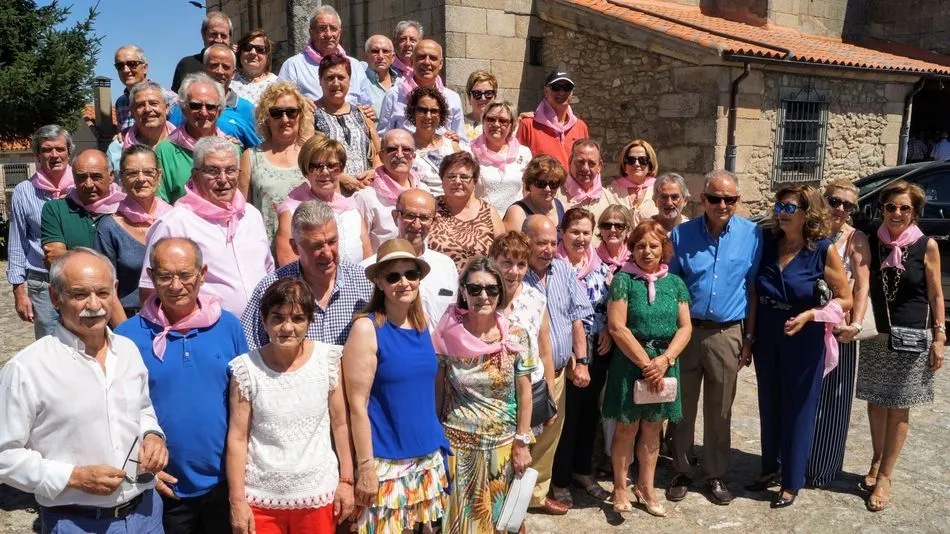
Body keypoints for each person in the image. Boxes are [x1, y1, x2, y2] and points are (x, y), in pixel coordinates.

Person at [0, 248, 167, 533]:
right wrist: (73, 478)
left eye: (102, 293)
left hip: (146, 514)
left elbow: (141, 409)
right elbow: (5, 456)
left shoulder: (127, 351)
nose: (95, 305)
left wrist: (153, 435)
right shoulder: (27, 369)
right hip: (76, 522)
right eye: (79, 295)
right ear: (55, 297)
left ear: (114, 291)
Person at [116, 237, 247, 533]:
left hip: (224, 483)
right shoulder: (127, 336)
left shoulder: (228, 326)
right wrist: (138, 465)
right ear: (151, 277)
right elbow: (116, 413)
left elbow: (245, 402)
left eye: (185, 275)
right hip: (163, 487)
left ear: (202, 274)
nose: (176, 285)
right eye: (165, 276)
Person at [746, 185, 851, 509]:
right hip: (767, 332)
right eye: (779, 206)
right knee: (770, 402)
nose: (780, 213)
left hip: (804, 336)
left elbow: (845, 298)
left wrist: (811, 314)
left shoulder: (821, 249)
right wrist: (750, 338)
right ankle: (770, 468)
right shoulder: (767, 244)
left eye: (789, 208)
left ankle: (791, 481)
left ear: (808, 213)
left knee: (799, 409)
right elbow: (753, 292)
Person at [227, 278, 354, 533]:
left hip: (318, 496)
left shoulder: (328, 360)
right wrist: (237, 500)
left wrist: (347, 481)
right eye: (278, 318)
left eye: (297, 318)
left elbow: (340, 424)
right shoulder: (245, 369)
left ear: (309, 321)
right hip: (260, 501)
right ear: (264, 321)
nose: (287, 327)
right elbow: (238, 438)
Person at [667, 170, 762, 505]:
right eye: (715, 198)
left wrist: (748, 339)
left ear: (737, 200)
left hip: (727, 332)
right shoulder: (681, 235)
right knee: (682, 407)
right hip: (688, 332)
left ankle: (715, 474)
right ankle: (680, 468)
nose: (722, 204)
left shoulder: (753, 235)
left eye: (730, 199)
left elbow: (752, 290)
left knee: (720, 409)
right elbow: (672, 287)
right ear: (702, 199)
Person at [343, 238, 451, 533]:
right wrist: (365, 466)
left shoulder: (422, 324)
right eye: (393, 276)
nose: (404, 282)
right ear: (379, 281)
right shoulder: (367, 328)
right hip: (387, 462)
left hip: (426, 456)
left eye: (411, 274)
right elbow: (357, 405)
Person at [856, 180, 945, 511]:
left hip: (911, 337)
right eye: (890, 206)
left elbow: (936, 294)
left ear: (915, 212)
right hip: (876, 334)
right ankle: (877, 458)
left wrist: (940, 336)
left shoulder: (926, 245)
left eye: (904, 207)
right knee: (876, 403)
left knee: (898, 406)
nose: (896, 213)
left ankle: (886, 476)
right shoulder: (870, 242)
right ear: (881, 208)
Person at [434, 256, 536, 532]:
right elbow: (439, 390)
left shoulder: (517, 335)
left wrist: (522, 441)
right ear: (463, 292)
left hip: (503, 446)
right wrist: (434, 440)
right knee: (462, 524)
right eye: (475, 289)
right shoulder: (446, 334)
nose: (483, 296)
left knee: (506, 523)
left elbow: (525, 392)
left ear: (500, 293)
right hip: (458, 446)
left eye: (491, 289)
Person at [603, 220, 691, 516]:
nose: (647, 251)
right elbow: (617, 327)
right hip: (631, 364)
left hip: (664, 364)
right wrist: (645, 363)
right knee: (626, 427)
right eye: (640, 246)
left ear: (664, 249)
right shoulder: (623, 280)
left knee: (653, 429)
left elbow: (685, 327)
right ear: (632, 248)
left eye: (653, 246)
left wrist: (664, 360)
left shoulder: (676, 284)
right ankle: (618, 486)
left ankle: (646, 486)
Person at [140, 136, 274, 318]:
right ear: (195, 175)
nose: (223, 179)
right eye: (213, 171)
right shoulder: (175, 224)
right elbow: (150, 291)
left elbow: (268, 271)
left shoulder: (251, 215)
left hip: (261, 331)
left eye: (231, 170)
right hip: (206, 334)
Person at [802, 178, 871, 488]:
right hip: (807, 325)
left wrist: (855, 324)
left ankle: (822, 468)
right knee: (802, 396)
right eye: (835, 201)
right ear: (823, 200)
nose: (841, 209)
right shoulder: (808, 231)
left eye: (848, 205)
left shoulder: (856, 239)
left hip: (839, 329)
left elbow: (863, 284)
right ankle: (793, 460)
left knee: (835, 400)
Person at [521, 215, 593, 515]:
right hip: (522, 375)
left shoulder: (563, 270)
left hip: (560, 371)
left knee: (549, 436)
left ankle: (535, 496)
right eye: (541, 243)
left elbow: (578, 317)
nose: (549, 249)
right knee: (521, 435)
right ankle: (507, 497)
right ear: (526, 241)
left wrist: (583, 361)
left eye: (553, 242)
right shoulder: (513, 272)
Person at [243, 200, 373, 349]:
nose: (327, 253)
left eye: (332, 242)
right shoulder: (270, 289)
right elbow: (249, 348)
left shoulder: (365, 283)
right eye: (316, 246)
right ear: (295, 247)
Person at [550, 208, 614, 508]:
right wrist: (578, 356)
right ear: (562, 232)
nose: (581, 238)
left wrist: (607, 332)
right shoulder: (555, 267)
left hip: (598, 346)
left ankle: (582, 471)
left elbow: (604, 304)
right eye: (575, 231)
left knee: (591, 413)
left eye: (587, 232)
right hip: (569, 350)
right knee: (568, 417)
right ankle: (560, 479)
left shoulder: (598, 264)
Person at [8, 125, 74, 339]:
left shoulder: (82, 187)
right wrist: (19, 291)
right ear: (37, 155)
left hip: (79, 280)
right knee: (49, 345)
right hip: (43, 283)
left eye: (60, 149)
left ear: (69, 152)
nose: (54, 155)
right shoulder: (24, 191)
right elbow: (18, 241)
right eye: (47, 150)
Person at [490, 232, 557, 437]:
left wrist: (551, 399)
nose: (514, 271)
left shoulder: (536, 299)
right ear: (492, 261)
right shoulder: (481, 297)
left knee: (525, 460)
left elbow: (545, 353)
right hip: (493, 396)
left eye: (521, 264)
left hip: (531, 393)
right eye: (507, 263)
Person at [361, 188, 458, 327]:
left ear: (434, 221)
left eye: (424, 218)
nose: (417, 224)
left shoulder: (446, 266)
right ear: (395, 217)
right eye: (410, 215)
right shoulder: (368, 269)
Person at [96, 145, 172, 322]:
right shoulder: (109, 227)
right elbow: (106, 288)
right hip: (129, 318)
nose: (141, 179)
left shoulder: (174, 219)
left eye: (148, 172)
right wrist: (127, 333)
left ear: (159, 176)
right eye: (132, 173)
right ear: (121, 177)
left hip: (174, 318)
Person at [275, 136, 372, 265]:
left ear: (341, 169)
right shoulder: (291, 212)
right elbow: (288, 267)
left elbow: (367, 260)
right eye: (316, 166)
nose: (325, 172)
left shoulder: (352, 208)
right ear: (306, 171)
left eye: (332, 166)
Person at [237, 81, 313, 241]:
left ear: (300, 114)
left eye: (291, 112)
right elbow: (241, 211)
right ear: (266, 118)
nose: (285, 119)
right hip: (266, 250)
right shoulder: (250, 156)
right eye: (276, 113)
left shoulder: (313, 153)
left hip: (310, 249)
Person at [156, 73, 234, 203]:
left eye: (210, 106)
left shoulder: (232, 148)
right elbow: (160, 203)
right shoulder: (165, 151)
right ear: (183, 108)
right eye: (195, 106)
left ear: (219, 110)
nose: (203, 112)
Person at [41, 149, 124, 267]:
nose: (89, 184)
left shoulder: (126, 208)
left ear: (111, 176)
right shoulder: (56, 209)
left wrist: (68, 257)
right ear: (73, 178)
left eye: (96, 177)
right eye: (81, 177)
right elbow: (54, 261)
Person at [427, 152, 505, 270]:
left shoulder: (489, 212)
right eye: (451, 176)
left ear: (474, 181)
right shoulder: (430, 207)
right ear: (442, 180)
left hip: (477, 284)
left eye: (464, 177)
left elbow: (503, 253)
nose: (457, 181)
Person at [278, 5, 371, 103]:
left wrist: (368, 111)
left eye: (333, 28)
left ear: (340, 33)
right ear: (311, 32)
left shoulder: (355, 65)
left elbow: (366, 104)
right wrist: (301, 103)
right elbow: (280, 102)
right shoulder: (293, 65)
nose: (329, 34)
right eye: (322, 28)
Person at [355, 129, 428, 248]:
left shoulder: (423, 191)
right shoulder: (366, 197)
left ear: (413, 156)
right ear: (381, 156)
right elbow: (362, 245)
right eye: (392, 149)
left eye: (406, 149)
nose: (399, 155)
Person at [378, 39, 465, 137]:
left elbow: (462, 141)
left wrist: (452, 142)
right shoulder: (394, 95)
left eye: (432, 58)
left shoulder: (452, 98)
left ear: (440, 64)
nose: (427, 62)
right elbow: (382, 137)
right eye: (421, 57)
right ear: (412, 61)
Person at [314, 54, 381, 179]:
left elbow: (379, 152)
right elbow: (307, 155)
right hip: (330, 188)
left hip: (366, 188)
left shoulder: (362, 113)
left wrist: (373, 173)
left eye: (341, 77)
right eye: (329, 78)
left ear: (349, 80)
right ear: (320, 80)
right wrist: (341, 179)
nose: (336, 83)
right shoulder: (311, 114)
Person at [516, 70, 589, 168]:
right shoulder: (528, 125)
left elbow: (586, 162)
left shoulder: (580, 127)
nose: (561, 92)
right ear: (546, 92)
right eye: (556, 87)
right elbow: (518, 165)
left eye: (567, 88)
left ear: (572, 93)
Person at [470, 101, 531, 215]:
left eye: (503, 121)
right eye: (491, 119)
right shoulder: (469, 153)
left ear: (512, 125)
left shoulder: (524, 153)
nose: (496, 124)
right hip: (482, 220)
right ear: (483, 121)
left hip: (515, 221)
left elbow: (527, 192)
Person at [107, 81, 179, 171]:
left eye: (153, 103)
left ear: (167, 108)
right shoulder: (117, 149)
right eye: (140, 105)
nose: (147, 109)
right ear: (132, 112)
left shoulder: (183, 144)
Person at [202, 43, 263, 150]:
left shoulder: (247, 110)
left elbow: (258, 152)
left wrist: (238, 150)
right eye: (214, 65)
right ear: (204, 69)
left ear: (234, 73)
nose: (220, 71)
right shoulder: (187, 105)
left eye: (225, 67)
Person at [407, 86, 465, 195]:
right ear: (413, 112)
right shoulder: (404, 146)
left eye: (434, 111)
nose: (428, 116)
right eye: (422, 110)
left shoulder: (452, 146)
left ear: (441, 115)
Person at [113, 45, 181, 132]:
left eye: (132, 64)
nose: (125, 70)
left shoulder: (170, 98)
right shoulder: (121, 103)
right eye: (120, 66)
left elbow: (178, 137)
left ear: (145, 68)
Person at [503, 154, 567, 234]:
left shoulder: (561, 207)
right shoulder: (517, 213)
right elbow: (513, 246)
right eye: (541, 183)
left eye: (553, 184)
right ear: (530, 183)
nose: (547, 189)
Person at [172, 11, 231, 92]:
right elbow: (176, 100)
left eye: (223, 35)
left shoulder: (237, 66)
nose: (219, 40)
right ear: (203, 34)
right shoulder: (186, 65)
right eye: (213, 34)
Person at [605, 139, 660, 224]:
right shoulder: (611, 192)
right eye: (631, 160)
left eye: (643, 160)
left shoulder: (659, 190)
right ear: (624, 164)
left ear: (650, 165)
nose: (636, 164)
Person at [560, 139, 611, 222]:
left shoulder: (609, 199)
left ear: (599, 166)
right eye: (580, 162)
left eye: (591, 163)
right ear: (570, 162)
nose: (585, 168)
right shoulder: (556, 197)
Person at [231, 29, 279, 106]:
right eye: (248, 47)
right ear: (240, 53)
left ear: (267, 56)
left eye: (260, 49)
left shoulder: (277, 84)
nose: (253, 52)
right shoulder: (229, 81)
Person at [362, 34, 402, 117]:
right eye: (375, 51)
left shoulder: (402, 82)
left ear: (393, 57)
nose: (380, 56)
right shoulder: (360, 82)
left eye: (385, 51)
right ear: (366, 56)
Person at [463, 70, 497, 141]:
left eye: (488, 93)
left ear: (495, 97)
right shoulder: (459, 123)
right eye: (477, 94)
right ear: (469, 97)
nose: (483, 98)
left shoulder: (504, 123)